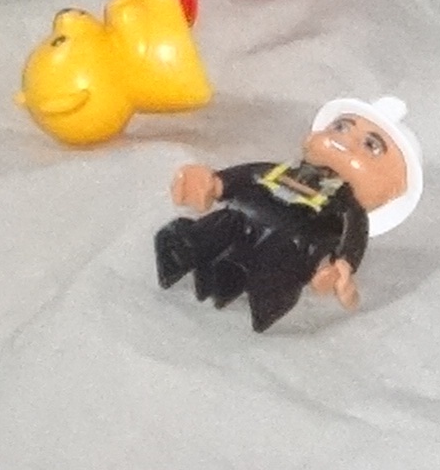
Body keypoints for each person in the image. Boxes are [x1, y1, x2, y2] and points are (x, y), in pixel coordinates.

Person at [157, 96, 423, 333]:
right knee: (221, 224)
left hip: (290, 247)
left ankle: (263, 292)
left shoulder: (347, 207)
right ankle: (184, 253)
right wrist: (213, 183)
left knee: (279, 258)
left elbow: (353, 237)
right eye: (341, 127)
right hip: (238, 220)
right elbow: (247, 176)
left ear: (393, 190)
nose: (344, 141)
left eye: (371, 145)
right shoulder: (280, 171)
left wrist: (341, 267)